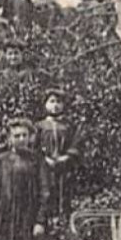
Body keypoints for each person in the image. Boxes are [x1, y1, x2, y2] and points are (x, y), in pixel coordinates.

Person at [35, 90, 81, 224]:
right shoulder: (39, 126)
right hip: (44, 167)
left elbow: (76, 143)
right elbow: (34, 147)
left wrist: (67, 156)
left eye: (58, 102)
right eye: (52, 101)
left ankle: (63, 222)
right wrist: (44, 159)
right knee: (45, 192)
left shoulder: (68, 126)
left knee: (64, 194)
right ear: (45, 104)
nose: (55, 105)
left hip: (64, 167)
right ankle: (44, 221)